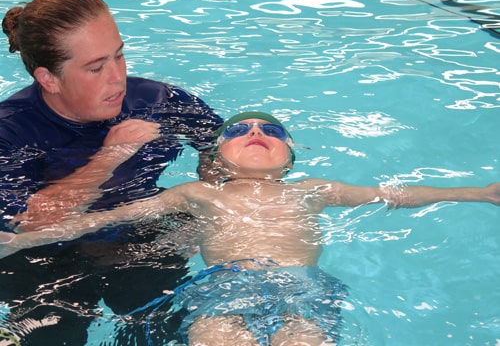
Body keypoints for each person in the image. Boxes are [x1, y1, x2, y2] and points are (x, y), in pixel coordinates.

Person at [3, 111, 499, 345]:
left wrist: (480, 193)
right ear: (216, 156)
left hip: (302, 286)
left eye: (271, 130)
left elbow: (394, 197)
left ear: (291, 155)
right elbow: (108, 218)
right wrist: (19, 242)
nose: (256, 132)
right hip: (223, 284)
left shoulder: (314, 189)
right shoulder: (199, 194)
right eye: (238, 130)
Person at [0, 0, 222, 345]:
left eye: (119, 56)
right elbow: (27, 225)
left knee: (161, 334)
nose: (117, 77)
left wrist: (210, 194)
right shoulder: (9, 132)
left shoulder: (157, 101)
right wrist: (110, 157)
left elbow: (228, 150)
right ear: (48, 79)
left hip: (137, 240)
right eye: (95, 67)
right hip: (45, 261)